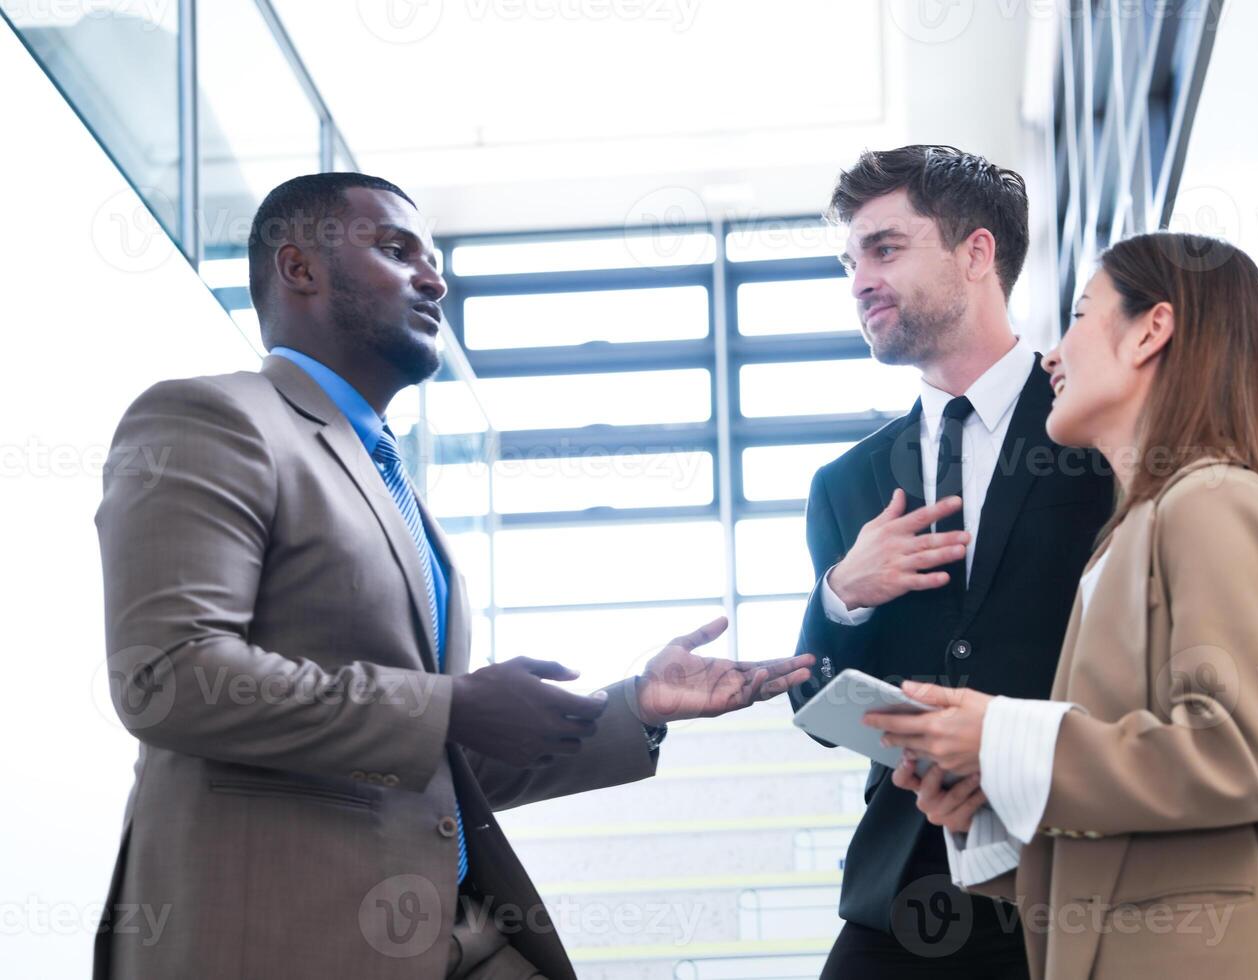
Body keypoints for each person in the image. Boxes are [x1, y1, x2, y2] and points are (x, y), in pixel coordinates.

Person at [93, 172, 813, 979]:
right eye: (397, 251)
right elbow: (171, 678)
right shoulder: (213, 419)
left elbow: (426, 757)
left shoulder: (389, 478)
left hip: (453, 932)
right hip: (285, 941)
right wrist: (451, 707)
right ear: (298, 269)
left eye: (433, 258)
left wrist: (635, 705)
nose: (435, 279)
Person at [868, 231, 1258, 978]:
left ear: (1151, 331)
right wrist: (989, 805)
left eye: (1080, 316)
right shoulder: (1134, 536)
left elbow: (1246, 756)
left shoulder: (1214, 502)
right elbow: (1146, 843)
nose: (1053, 357)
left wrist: (1003, 735)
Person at [787, 145, 1113, 979]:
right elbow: (819, 700)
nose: (859, 279)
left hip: (1071, 872)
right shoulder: (845, 484)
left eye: (885, 249)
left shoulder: (1099, 429)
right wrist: (842, 594)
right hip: (903, 890)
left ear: (976, 254)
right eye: (849, 260)